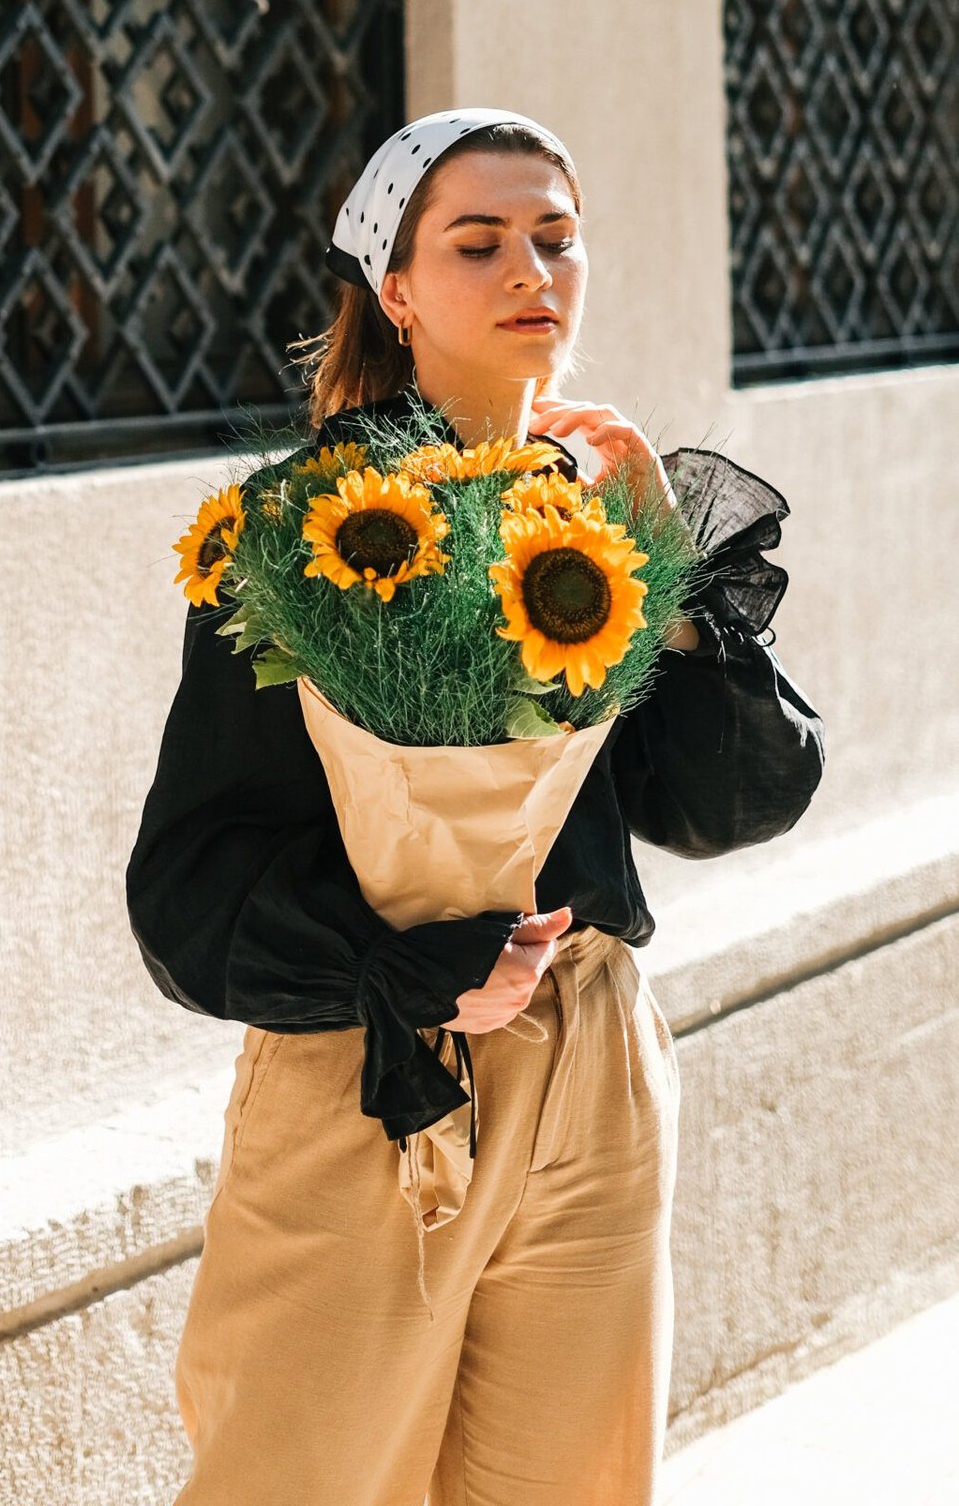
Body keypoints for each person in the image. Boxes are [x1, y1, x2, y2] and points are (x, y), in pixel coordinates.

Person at [127, 108, 823, 1506]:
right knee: (302, 1483)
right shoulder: (304, 535)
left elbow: (732, 801)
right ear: (394, 288)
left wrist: (668, 578)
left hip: (596, 1054)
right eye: (481, 242)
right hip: (368, 1074)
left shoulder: (597, 517)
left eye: (558, 239)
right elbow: (188, 887)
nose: (533, 272)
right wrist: (412, 966)